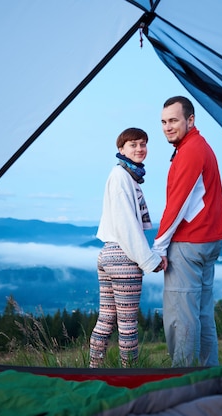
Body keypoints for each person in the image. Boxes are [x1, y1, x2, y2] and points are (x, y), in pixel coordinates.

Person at [152, 96, 222, 367]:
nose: (167, 127)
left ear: (190, 120)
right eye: (163, 122)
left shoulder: (191, 151)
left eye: (173, 120)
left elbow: (177, 204)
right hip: (209, 240)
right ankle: (209, 376)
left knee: (180, 316)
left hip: (189, 243)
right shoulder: (199, 146)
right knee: (202, 314)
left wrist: (158, 248)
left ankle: (181, 380)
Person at [89, 127, 164, 368]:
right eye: (133, 144)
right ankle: (129, 375)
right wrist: (149, 260)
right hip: (122, 257)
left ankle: (93, 370)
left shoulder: (127, 176)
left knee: (107, 318)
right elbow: (127, 225)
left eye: (143, 144)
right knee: (128, 325)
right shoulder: (121, 177)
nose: (140, 149)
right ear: (121, 149)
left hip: (108, 253)